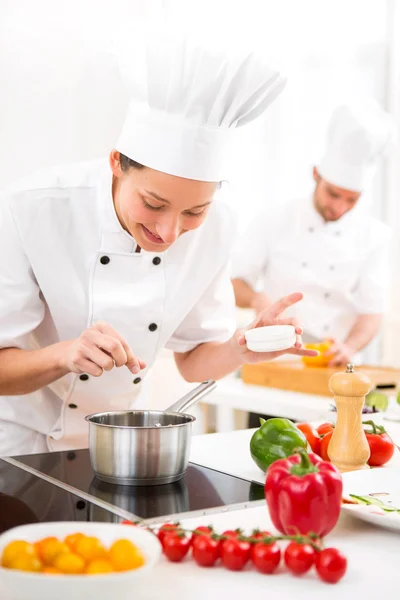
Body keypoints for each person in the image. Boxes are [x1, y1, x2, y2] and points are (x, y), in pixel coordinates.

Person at [0, 26, 315, 456]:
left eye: (194, 211)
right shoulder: (33, 209)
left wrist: (242, 346)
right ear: (116, 164)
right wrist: (63, 355)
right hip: (22, 449)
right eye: (153, 203)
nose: (168, 233)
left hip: (122, 447)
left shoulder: (219, 227)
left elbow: (193, 361)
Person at [231, 100, 395, 428]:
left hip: (338, 377)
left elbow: (371, 312)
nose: (340, 207)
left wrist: (350, 346)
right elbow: (235, 283)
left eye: (352, 200)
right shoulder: (274, 219)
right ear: (316, 174)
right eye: (334, 194)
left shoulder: (374, 236)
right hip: (277, 366)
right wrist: (258, 300)